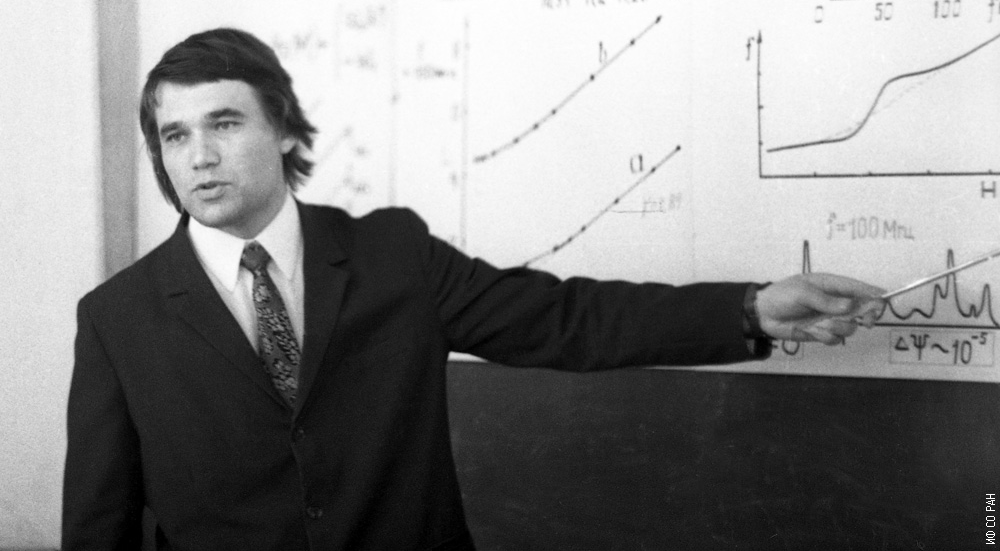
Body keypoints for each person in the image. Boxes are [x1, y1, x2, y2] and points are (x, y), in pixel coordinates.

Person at [62, 28, 883, 551]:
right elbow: (99, 524)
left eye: (224, 123)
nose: (200, 155)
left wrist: (749, 309)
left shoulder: (391, 255)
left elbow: (565, 320)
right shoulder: (116, 319)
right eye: (175, 135)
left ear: (280, 128)